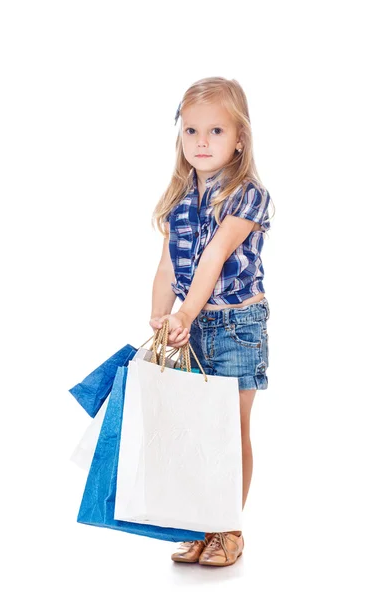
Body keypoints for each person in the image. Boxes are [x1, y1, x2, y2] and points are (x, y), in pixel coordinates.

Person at [149, 77, 274, 567]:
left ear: (239, 138)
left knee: (231, 429)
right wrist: (162, 313)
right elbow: (166, 266)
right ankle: (203, 524)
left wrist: (184, 310)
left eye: (216, 131)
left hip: (237, 324)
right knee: (198, 431)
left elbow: (216, 257)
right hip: (193, 326)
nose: (202, 142)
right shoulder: (180, 198)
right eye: (191, 130)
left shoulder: (248, 195)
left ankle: (229, 529)